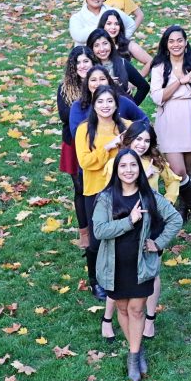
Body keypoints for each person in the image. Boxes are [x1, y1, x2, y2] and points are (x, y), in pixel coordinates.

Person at [93, 149, 182, 381]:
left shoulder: (149, 196)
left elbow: (175, 219)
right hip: (115, 266)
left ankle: (133, 356)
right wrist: (129, 221)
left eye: (133, 165)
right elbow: (99, 230)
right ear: (117, 170)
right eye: (123, 166)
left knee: (136, 310)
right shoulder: (106, 197)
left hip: (141, 264)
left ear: (139, 169)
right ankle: (137, 345)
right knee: (122, 309)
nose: (129, 170)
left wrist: (159, 243)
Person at [74, 85, 131, 301]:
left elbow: (141, 139)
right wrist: (108, 147)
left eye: (110, 101)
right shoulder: (85, 129)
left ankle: (119, 276)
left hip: (122, 188)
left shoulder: (124, 126)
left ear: (116, 104)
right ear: (94, 104)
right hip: (96, 190)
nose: (105, 106)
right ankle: (95, 281)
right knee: (98, 238)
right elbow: (85, 162)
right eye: (100, 101)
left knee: (122, 234)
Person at [150, 25, 191, 223]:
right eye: (171, 41)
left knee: (190, 170)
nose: (176, 44)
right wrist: (179, 82)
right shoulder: (159, 67)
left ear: (185, 43)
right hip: (168, 118)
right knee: (178, 170)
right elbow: (157, 97)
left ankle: (184, 207)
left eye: (179, 40)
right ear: (166, 44)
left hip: (190, 117)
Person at [57, 46, 99, 248]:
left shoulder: (101, 83)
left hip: (101, 140)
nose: (82, 66)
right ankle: (84, 231)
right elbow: (65, 116)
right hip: (74, 144)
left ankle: (100, 225)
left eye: (86, 61)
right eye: (78, 62)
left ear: (93, 63)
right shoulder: (65, 88)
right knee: (80, 187)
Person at [69, 65, 148, 141]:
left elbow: (144, 121)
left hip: (123, 149)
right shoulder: (78, 106)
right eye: (93, 80)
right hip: (92, 150)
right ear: (87, 83)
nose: (98, 83)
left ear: (109, 81)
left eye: (102, 79)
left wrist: (130, 136)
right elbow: (76, 135)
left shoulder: (122, 101)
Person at [87, 28, 149, 105]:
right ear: (91, 48)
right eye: (96, 45)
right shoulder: (88, 67)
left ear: (111, 44)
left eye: (105, 43)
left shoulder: (122, 63)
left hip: (120, 114)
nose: (102, 49)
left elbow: (144, 87)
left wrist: (132, 108)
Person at [69, 0, 136, 45]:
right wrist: (104, 25)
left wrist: (120, 42)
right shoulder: (77, 18)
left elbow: (131, 24)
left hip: (111, 53)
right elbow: (78, 37)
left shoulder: (112, 12)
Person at [99, 10, 152, 77]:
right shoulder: (95, 45)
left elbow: (151, 61)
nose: (113, 27)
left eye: (116, 24)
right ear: (102, 25)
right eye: (109, 24)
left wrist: (136, 81)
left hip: (122, 86)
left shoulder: (128, 45)